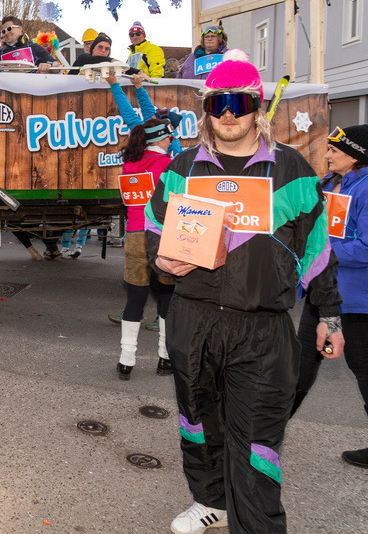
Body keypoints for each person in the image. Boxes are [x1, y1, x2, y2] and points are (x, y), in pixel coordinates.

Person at [145, 49, 343, 533]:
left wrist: (329, 315)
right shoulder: (183, 167)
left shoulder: (292, 170)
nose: (229, 114)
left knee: (255, 443)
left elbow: (317, 251)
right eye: (218, 104)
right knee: (198, 422)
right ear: (206, 111)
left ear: (256, 106)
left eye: (237, 102)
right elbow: (154, 224)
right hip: (193, 319)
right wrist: (160, 256)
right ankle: (209, 499)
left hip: (262, 327)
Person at [291, 123, 368, 469]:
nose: (327, 155)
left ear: (355, 156)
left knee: (363, 370)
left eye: (334, 151)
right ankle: (264, 436)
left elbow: (365, 246)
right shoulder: (327, 185)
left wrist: (323, 253)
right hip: (321, 294)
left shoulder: (366, 189)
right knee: (300, 365)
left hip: (356, 302)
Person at [116, 118, 175, 380]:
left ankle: (126, 359)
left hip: (135, 232)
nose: (171, 141)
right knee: (166, 295)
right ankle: (165, 357)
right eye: (169, 137)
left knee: (135, 296)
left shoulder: (129, 166)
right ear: (161, 139)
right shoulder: (168, 165)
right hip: (163, 235)